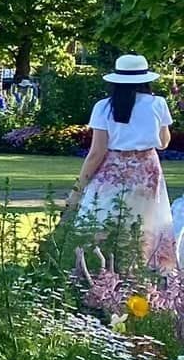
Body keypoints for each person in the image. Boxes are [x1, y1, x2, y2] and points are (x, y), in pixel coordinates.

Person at [74, 54, 176, 269]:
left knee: (103, 218)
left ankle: (101, 272)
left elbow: (97, 152)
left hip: (113, 167)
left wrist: (79, 187)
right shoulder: (158, 104)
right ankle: (142, 274)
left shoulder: (103, 107)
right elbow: (164, 142)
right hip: (147, 169)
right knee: (144, 224)